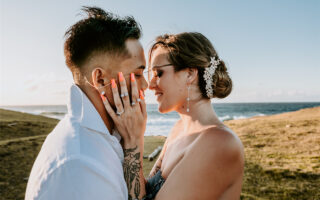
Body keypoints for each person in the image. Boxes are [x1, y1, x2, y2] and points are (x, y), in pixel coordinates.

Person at [102, 32, 245, 199]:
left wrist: (133, 142)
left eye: (159, 73)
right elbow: (145, 192)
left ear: (190, 74)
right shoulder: (178, 130)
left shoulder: (220, 143)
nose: (151, 85)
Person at [25, 6, 148, 200]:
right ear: (99, 79)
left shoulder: (105, 137)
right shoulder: (82, 164)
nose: (146, 85)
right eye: (138, 75)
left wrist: (133, 142)